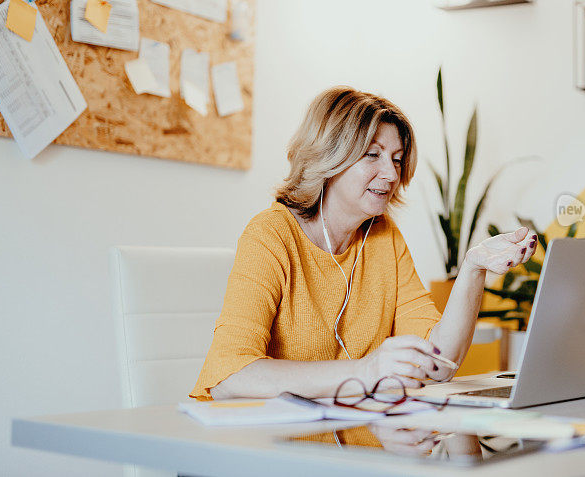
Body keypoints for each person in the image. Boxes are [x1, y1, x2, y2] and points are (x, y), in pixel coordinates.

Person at [190, 86, 536, 401]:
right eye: (373, 154)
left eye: (397, 159)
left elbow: (438, 364)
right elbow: (230, 376)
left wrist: (473, 269)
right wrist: (367, 371)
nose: (391, 174)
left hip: (363, 454)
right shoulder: (271, 234)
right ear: (329, 157)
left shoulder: (383, 236)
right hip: (280, 453)